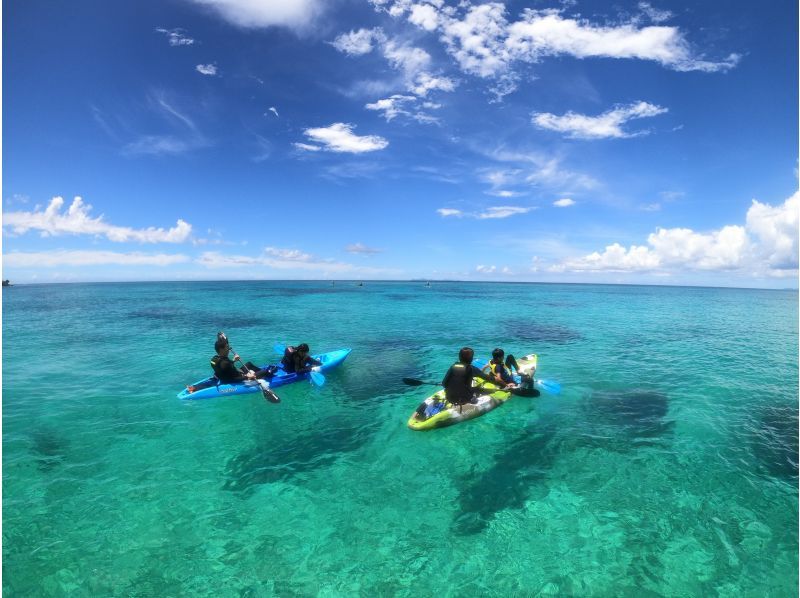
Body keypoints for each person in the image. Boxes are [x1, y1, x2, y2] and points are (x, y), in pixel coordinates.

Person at [413, 347, 494, 420]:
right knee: (477, 389)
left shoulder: (453, 367)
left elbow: (444, 384)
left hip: (449, 397)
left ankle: (420, 412)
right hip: (464, 399)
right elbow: (486, 378)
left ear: (459, 357)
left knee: (468, 388)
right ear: (471, 359)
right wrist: (497, 381)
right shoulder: (471, 369)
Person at [206, 334, 280, 402]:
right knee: (264, 371)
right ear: (221, 349)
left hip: (228, 375)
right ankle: (268, 373)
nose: (229, 349)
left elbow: (224, 368)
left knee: (249, 364)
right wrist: (247, 376)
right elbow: (232, 379)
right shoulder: (225, 363)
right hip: (235, 379)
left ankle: (260, 374)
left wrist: (233, 361)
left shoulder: (214, 359)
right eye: (227, 347)